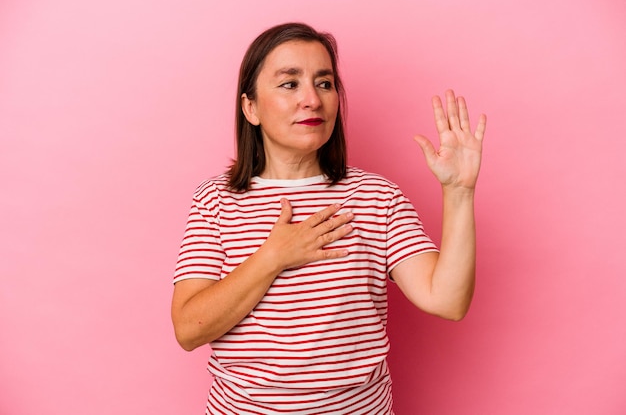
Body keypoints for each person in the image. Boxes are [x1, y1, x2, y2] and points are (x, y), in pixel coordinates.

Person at [171, 22, 486, 415]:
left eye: (324, 83)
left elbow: (448, 300)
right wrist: (273, 257)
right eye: (290, 84)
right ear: (250, 107)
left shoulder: (377, 197)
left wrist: (459, 192)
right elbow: (188, 329)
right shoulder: (215, 200)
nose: (312, 100)